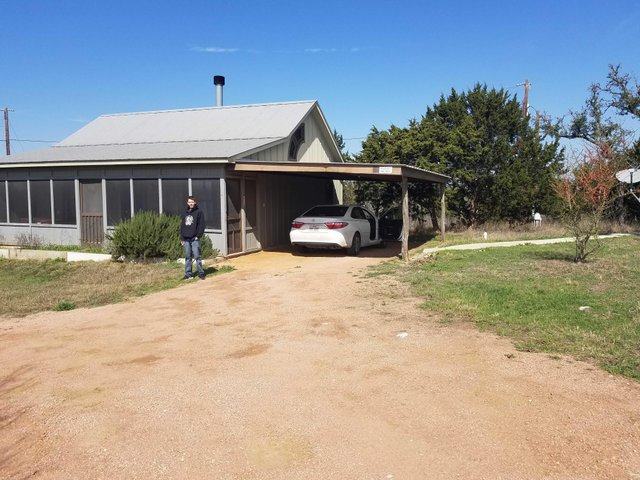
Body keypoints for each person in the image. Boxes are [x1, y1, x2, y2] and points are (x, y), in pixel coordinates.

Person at [180, 195, 206, 280]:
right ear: (187, 203)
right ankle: (188, 274)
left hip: (194, 238)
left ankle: (201, 273)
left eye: (192, 202)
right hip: (186, 238)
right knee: (188, 257)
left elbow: (201, 225)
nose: (191, 204)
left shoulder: (199, 212)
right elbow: (182, 225)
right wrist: (182, 238)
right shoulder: (185, 212)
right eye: (189, 202)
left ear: (195, 202)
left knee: (197, 256)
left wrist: (198, 236)